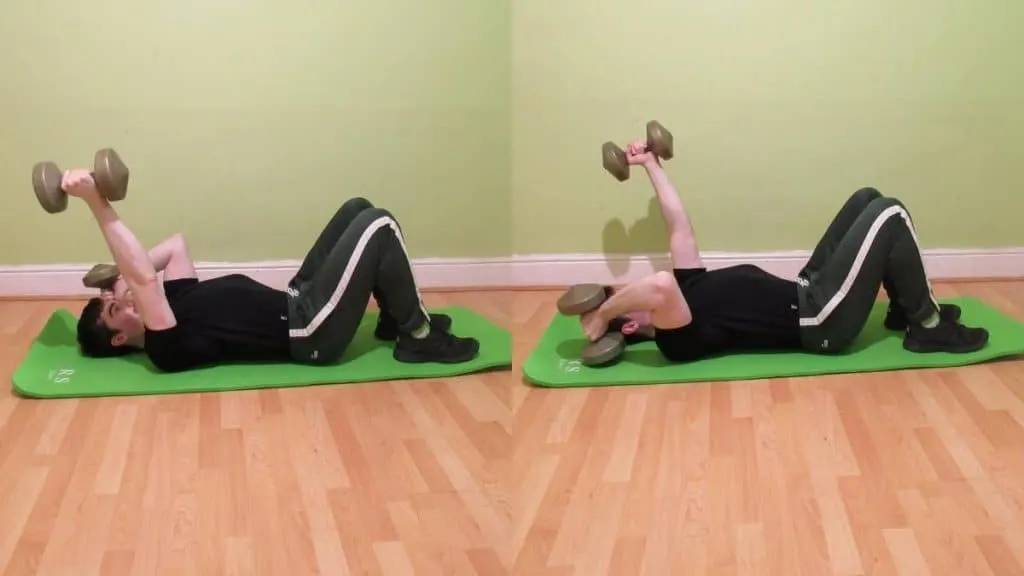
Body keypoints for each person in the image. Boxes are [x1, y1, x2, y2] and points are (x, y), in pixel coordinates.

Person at [579, 139, 989, 362]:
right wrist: (602, 315)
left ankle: (904, 309)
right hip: (821, 320)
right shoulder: (676, 337)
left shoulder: (687, 290)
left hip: (806, 288)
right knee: (890, 214)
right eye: (622, 297)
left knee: (868, 198)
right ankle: (929, 327)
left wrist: (651, 165)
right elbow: (657, 285)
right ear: (631, 325)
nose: (626, 287)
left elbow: (679, 228)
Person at [68, 169, 479, 372]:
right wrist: (95, 202)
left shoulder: (171, 301)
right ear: (120, 337)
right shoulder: (164, 344)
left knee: (358, 207)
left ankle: (394, 321)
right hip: (310, 330)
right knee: (379, 224)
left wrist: (118, 284)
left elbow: (175, 246)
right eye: (112, 309)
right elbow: (143, 276)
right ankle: (419, 337)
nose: (119, 299)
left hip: (297, 297)